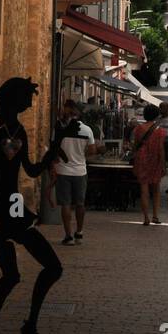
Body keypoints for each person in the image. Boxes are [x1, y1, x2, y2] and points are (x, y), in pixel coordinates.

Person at [0, 77, 64, 334]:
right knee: (47, 268)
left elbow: (26, 170)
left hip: (9, 207)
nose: (31, 102)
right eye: (27, 96)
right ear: (16, 99)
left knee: (17, 276)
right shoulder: (9, 133)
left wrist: (53, 151)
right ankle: (26, 327)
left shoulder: (13, 131)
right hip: (4, 209)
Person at [52, 99, 104, 245]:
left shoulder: (59, 129)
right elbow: (92, 151)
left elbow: (54, 151)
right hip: (80, 171)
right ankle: (79, 232)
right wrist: (80, 154)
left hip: (63, 170)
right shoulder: (87, 130)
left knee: (66, 204)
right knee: (80, 204)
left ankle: (68, 236)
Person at [131, 105, 167, 225]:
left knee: (144, 189)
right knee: (156, 189)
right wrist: (163, 163)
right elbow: (161, 149)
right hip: (155, 158)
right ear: (156, 115)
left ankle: (146, 218)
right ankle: (155, 216)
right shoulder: (160, 131)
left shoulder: (138, 129)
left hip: (142, 158)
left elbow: (135, 145)